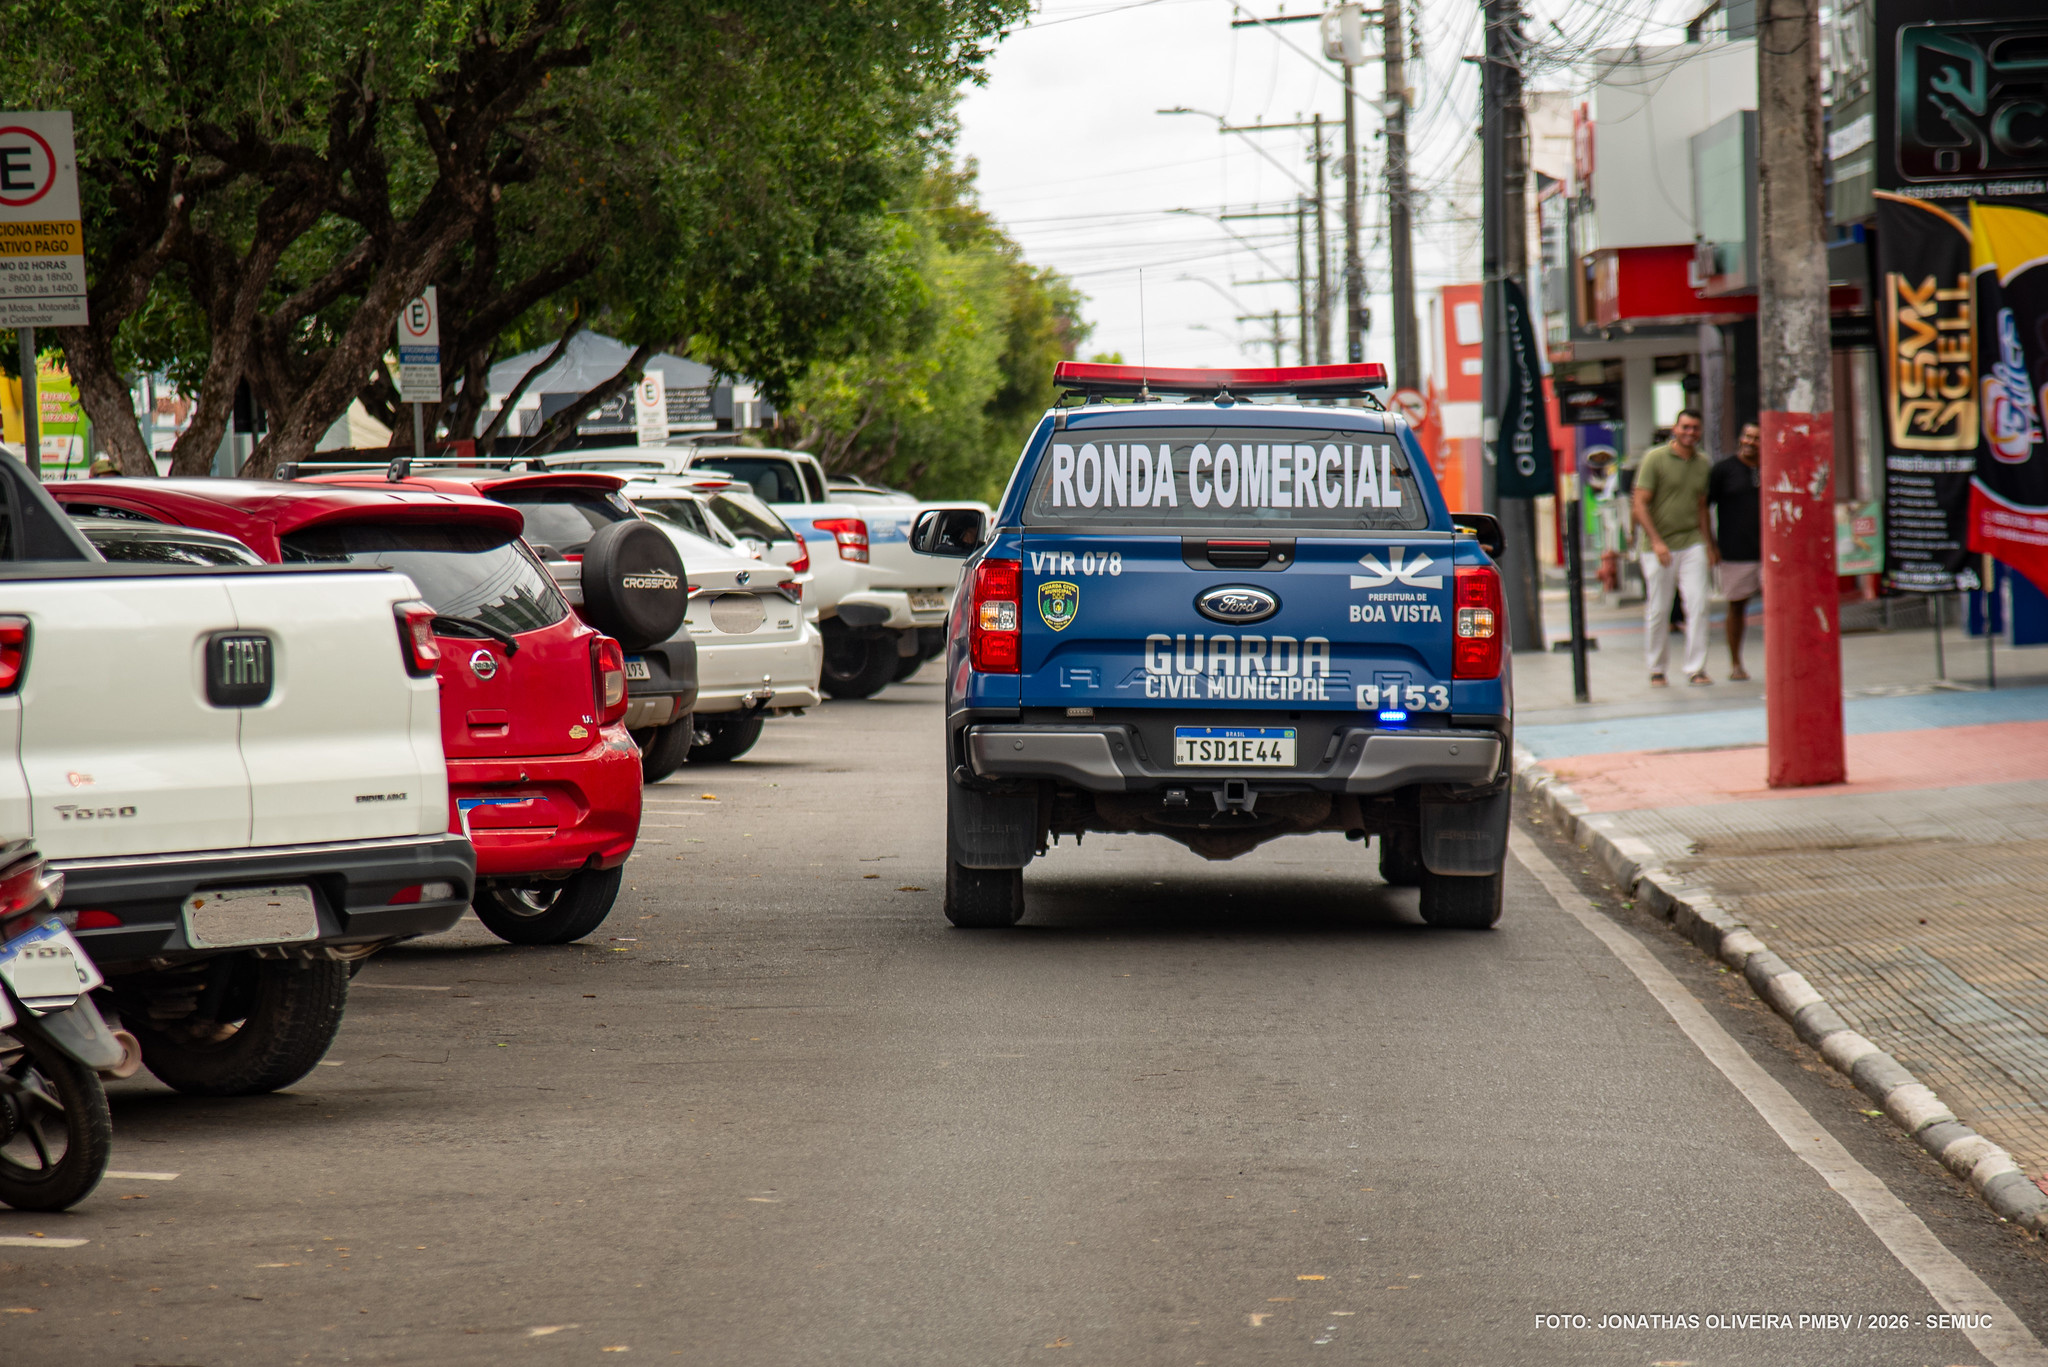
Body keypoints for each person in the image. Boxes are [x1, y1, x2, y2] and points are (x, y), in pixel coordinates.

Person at [1631, 408, 1715, 686]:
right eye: (1685, 427)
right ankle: (1657, 668)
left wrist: (1709, 543)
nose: (1690, 433)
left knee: (1699, 604)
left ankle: (1696, 668)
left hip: (1692, 542)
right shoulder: (1655, 458)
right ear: (1675, 429)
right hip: (1658, 546)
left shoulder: (1703, 463)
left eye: (1695, 428)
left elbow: (1701, 506)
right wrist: (1656, 541)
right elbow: (1640, 502)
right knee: (1659, 608)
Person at [1707, 422, 1762, 681]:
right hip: (1735, 551)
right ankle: (1736, 663)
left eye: (1757, 438)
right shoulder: (1723, 470)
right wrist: (1711, 545)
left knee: (1779, 610)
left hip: (1772, 554)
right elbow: (1702, 507)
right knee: (1737, 607)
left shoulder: (1772, 467)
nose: (1750, 442)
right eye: (1747, 436)